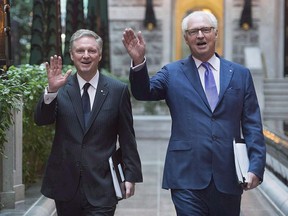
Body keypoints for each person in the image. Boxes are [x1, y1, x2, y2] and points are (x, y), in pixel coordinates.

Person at [122, 10, 266, 216]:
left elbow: (253, 124)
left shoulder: (240, 75)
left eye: (205, 30)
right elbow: (144, 92)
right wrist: (138, 62)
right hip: (185, 175)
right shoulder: (172, 73)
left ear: (216, 33)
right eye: (193, 31)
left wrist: (255, 167)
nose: (200, 35)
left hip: (229, 175)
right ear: (186, 38)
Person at [34, 29, 143, 216]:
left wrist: (130, 175)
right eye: (80, 51)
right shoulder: (60, 88)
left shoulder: (118, 91)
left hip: (103, 185)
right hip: (65, 184)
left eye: (92, 51)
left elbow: (127, 137)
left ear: (99, 55)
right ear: (71, 55)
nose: (86, 56)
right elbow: (42, 120)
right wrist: (51, 91)